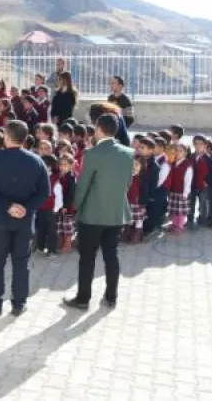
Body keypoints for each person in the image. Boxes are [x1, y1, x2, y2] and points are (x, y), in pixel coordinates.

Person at [0, 120, 50, 317]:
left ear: (6, 137)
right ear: (26, 138)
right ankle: (19, 304)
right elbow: (45, 193)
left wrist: (8, 206)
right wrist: (26, 208)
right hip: (24, 221)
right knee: (21, 262)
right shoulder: (37, 161)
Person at [63, 113, 134, 311]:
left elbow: (83, 184)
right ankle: (111, 297)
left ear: (99, 129)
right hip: (116, 213)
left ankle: (83, 299)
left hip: (92, 214)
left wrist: (76, 205)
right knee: (112, 255)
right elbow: (128, 183)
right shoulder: (128, 152)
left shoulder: (92, 153)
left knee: (87, 258)